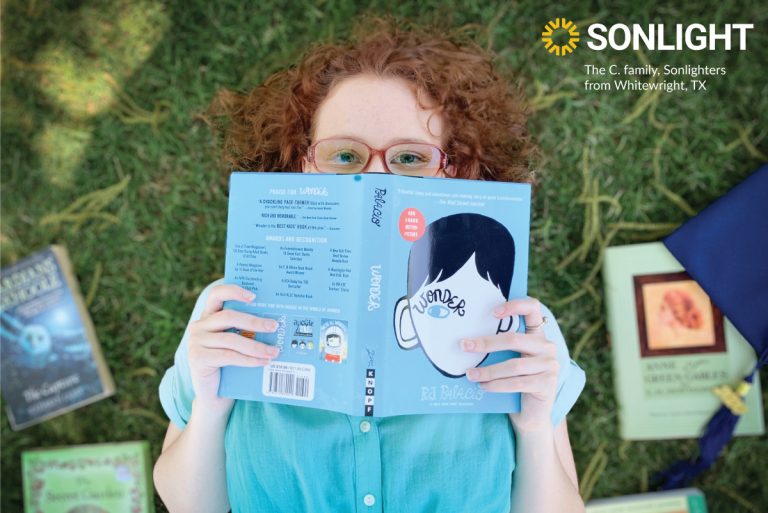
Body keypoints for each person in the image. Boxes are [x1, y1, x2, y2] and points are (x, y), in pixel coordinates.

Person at [154, 17, 587, 513]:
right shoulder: (232, 310)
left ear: (459, 169)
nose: (375, 180)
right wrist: (209, 408)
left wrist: (534, 430)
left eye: (409, 158)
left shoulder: (521, 327)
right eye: (344, 155)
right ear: (303, 163)